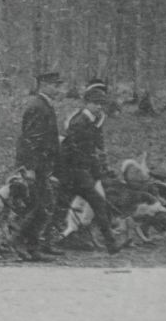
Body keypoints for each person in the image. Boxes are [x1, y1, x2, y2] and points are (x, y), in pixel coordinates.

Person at [52, 80, 121, 254]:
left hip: (81, 173)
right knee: (62, 207)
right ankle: (50, 239)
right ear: (87, 103)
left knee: (93, 203)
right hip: (75, 173)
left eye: (101, 104)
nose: (99, 107)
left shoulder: (92, 121)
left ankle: (109, 242)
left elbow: (93, 149)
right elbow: (73, 151)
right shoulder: (79, 122)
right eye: (96, 103)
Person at [14, 70, 64, 260]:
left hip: (42, 164)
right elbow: (31, 140)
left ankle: (32, 247)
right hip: (35, 165)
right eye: (55, 85)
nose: (57, 89)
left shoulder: (44, 105)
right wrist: (31, 168)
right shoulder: (38, 106)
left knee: (42, 206)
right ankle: (18, 242)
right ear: (43, 86)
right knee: (36, 206)